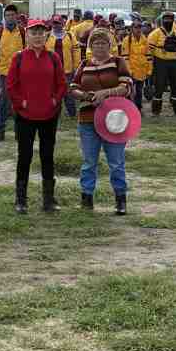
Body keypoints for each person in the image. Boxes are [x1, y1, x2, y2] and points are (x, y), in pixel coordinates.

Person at [69, 28, 133, 215]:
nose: (99, 46)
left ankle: (120, 200)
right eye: (95, 43)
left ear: (110, 44)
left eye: (103, 43)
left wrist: (106, 93)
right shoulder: (84, 64)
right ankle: (86, 198)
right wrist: (86, 96)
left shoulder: (118, 62)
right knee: (89, 161)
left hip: (114, 120)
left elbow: (127, 87)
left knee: (116, 162)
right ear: (90, 46)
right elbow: (73, 88)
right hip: (88, 119)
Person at [6, 18, 67, 214]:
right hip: (25, 116)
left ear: (46, 35)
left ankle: (48, 199)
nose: (38, 36)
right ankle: (21, 199)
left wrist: (54, 101)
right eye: (34, 32)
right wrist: (20, 103)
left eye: (41, 32)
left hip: (48, 115)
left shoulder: (53, 57)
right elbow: (11, 85)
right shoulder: (19, 58)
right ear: (27, 35)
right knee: (25, 156)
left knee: (47, 156)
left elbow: (61, 84)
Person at [0, 4, 26, 141]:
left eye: (12, 15)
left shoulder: (23, 32)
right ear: (4, 17)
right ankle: (0, 131)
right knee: (3, 102)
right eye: (7, 15)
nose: (10, 17)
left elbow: (28, 52)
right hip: (4, 73)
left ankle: (19, 131)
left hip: (21, 74)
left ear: (17, 16)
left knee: (19, 103)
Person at [145, 11, 176, 117]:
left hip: (175, 62)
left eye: (170, 19)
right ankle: (156, 111)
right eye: (166, 19)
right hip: (160, 62)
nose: (168, 21)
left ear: (173, 20)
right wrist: (157, 57)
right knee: (159, 86)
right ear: (162, 20)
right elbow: (149, 50)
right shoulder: (155, 33)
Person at [45, 15, 82, 118]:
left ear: (63, 24)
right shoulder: (47, 36)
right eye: (54, 23)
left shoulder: (70, 35)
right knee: (53, 93)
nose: (56, 25)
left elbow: (76, 51)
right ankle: (54, 113)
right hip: (51, 71)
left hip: (67, 70)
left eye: (58, 23)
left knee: (68, 93)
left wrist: (76, 66)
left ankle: (72, 114)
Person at [120, 21, 150, 112]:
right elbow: (125, 58)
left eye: (140, 27)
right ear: (132, 28)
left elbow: (148, 56)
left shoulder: (144, 39)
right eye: (136, 27)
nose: (138, 29)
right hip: (131, 71)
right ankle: (129, 109)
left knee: (139, 91)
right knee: (129, 91)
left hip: (141, 70)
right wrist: (129, 71)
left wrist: (149, 70)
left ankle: (138, 108)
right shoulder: (127, 40)